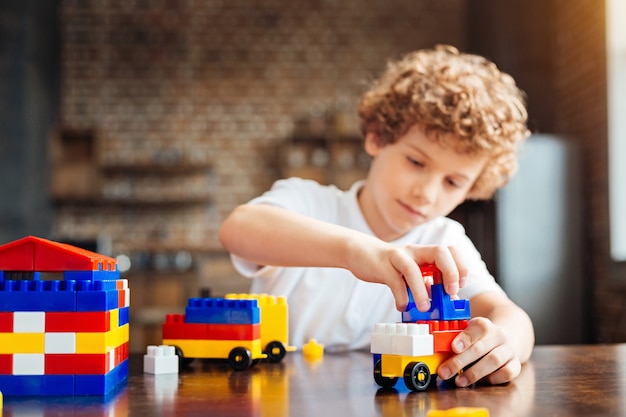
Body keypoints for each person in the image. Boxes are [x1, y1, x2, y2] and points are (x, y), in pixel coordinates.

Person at [219, 44, 535, 387]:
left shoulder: (444, 240)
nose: (426, 194)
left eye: (453, 182)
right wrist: (357, 251)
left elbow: (509, 315)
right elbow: (238, 229)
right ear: (377, 137)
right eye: (416, 162)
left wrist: (505, 341)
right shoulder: (309, 202)